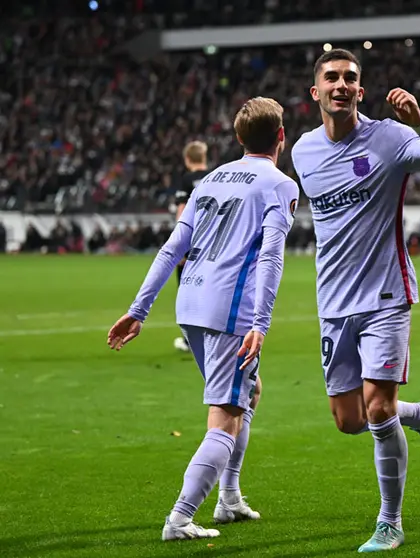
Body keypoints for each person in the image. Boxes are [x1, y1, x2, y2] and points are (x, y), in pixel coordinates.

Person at [290, 48, 420, 552]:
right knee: (350, 419)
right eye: (332, 78)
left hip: (387, 294)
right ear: (316, 92)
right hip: (332, 301)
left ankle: (390, 521)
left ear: (360, 91)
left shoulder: (390, 139)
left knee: (377, 406)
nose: (341, 84)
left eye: (350, 78)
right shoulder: (303, 151)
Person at [107, 97, 298, 540]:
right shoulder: (280, 184)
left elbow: (173, 248)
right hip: (229, 309)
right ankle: (180, 517)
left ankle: (229, 497)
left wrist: (139, 310)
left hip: (189, 304)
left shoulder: (210, 178)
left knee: (249, 393)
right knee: (227, 413)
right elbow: (270, 256)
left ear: (238, 139)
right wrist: (260, 322)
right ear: (281, 137)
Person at [172, 141, 211, 352]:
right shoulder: (217, 176)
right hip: (214, 242)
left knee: (187, 289)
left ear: (188, 159)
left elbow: (183, 212)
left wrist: (181, 244)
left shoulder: (186, 180)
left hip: (192, 241)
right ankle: (212, 334)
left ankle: (190, 339)